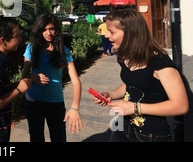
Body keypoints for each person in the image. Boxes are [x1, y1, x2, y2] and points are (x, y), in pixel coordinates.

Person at [92, 8, 188, 142]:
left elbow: (181, 105)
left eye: (112, 32)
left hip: (150, 136)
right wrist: (110, 95)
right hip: (122, 128)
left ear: (130, 34)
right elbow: (133, 84)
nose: (107, 35)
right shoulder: (125, 57)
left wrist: (134, 108)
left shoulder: (160, 63)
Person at [22, 13, 83, 142]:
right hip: (34, 102)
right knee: (36, 138)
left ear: (56, 30)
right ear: (38, 31)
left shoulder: (63, 51)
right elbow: (24, 76)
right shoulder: (31, 48)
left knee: (59, 138)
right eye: (44, 29)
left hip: (56, 103)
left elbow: (76, 82)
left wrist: (74, 108)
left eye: (51, 29)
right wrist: (33, 76)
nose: (48, 33)